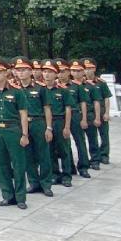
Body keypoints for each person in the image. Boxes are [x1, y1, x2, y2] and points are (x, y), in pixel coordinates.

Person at [0, 58, 30, 209]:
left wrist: (24, 134)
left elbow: (23, 113)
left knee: (18, 164)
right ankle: (7, 196)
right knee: (2, 164)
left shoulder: (17, 91)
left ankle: (20, 197)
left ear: (6, 72)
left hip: (13, 129)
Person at [14, 57, 54, 197]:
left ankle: (46, 184)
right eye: (18, 70)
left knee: (43, 154)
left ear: (31, 71)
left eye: (24, 70)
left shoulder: (40, 88)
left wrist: (49, 128)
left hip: (38, 122)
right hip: (21, 125)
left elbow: (47, 108)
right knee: (27, 154)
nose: (21, 73)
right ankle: (33, 182)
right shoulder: (14, 89)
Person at [43, 59, 73, 187]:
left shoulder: (63, 90)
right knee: (49, 150)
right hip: (45, 123)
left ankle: (66, 176)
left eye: (50, 72)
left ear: (56, 74)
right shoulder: (40, 89)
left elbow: (68, 109)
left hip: (60, 121)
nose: (47, 75)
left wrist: (67, 127)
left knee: (64, 150)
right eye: (44, 72)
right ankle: (54, 174)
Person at [85, 58, 112, 164]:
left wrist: (107, 113)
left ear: (94, 69)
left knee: (104, 135)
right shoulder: (82, 84)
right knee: (92, 137)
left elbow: (106, 98)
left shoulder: (100, 83)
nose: (87, 71)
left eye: (90, 68)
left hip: (101, 111)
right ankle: (94, 156)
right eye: (86, 68)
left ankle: (104, 155)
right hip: (90, 113)